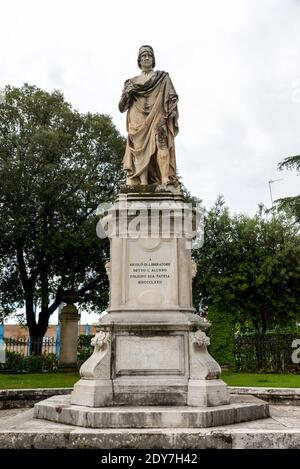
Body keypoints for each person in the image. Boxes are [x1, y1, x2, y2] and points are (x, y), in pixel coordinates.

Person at [119, 45, 179, 186]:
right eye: (143, 56)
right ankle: (143, 182)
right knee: (139, 149)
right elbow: (121, 107)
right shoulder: (131, 82)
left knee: (161, 141)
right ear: (139, 61)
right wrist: (127, 94)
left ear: (153, 59)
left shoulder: (162, 78)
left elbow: (172, 98)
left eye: (149, 55)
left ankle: (165, 179)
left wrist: (170, 111)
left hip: (158, 114)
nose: (146, 58)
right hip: (137, 118)